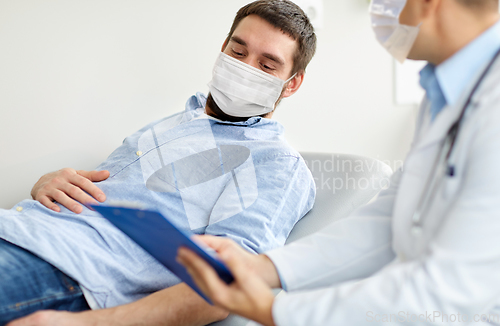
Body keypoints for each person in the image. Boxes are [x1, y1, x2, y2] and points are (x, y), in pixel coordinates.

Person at [177, 0, 500, 325]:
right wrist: (263, 268)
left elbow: (444, 295)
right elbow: (388, 223)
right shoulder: (445, 94)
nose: (381, 7)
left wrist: (276, 311)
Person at [2, 1, 317, 325]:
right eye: (238, 52)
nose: (246, 68)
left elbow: (227, 283)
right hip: (19, 226)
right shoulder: (176, 122)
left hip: (64, 269)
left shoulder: (277, 163)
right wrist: (47, 183)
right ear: (223, 48)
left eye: (267, 66)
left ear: (291, 82)